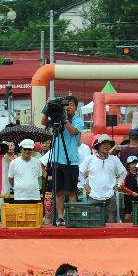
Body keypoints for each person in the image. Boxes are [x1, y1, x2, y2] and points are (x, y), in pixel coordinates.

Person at [41, 96, 83, 226]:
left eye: (71, 105)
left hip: (71, 160)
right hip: (56, 159)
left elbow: (73, 132)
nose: (68, 107)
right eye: (66, 105)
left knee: (71, 191)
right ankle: (60, 217)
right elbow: (43, 122)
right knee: (58, 191)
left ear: (76, 107)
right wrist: (47, 109)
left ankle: (71, 215)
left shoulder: (77, 120)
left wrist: (64, 120)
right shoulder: (56, 118)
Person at [80, 134, 125, 223]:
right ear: (98, 146)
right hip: (93, 195)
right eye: (103, 144)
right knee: (93, 222)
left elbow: (123, 172)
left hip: (110, 195)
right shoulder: (90, 159)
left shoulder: (114, 159)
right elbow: (79, 172)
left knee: (111, 222)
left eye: (108, 144)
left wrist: (118, 184)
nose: (106, 146)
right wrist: (85, 184)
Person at [8, 139, 44, 204]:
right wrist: (18, 186)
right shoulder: (14, 163)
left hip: (34, 196)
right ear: (21, 149)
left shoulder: (37, 162)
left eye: (29, 149)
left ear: (33, 150)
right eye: (25, 149)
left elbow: (39, 177)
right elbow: (10, 179)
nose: (27, 151)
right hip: (19, 196)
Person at [119, 156, 138, 222]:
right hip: (128, 198)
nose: (134, 165)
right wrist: (131, 192)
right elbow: (121, 186)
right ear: (128, 165)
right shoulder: (125, 174)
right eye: (132, 164)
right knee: (127, 217)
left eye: (136, 163)